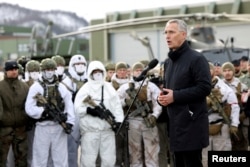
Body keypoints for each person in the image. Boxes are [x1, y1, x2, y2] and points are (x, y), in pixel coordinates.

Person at [157, 19, 211, 167]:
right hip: (175, 127)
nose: (167, 36)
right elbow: (169, 90)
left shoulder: (197, 59)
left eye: (171, 32)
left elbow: (205, 87)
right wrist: (162, 98)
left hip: (192, 126)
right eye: (166, 32)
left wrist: (175, 96)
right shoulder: (168, 62)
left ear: (183, 34)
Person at [25, 58, 75, 167]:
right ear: (42, 70)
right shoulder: (36, 87)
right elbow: (29, 108)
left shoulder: (61, 87)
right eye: (47, 69)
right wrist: (43, 112)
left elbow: (69, 105)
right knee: (40, 158)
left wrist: (70, 122)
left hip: (59, 127)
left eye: (52, 69)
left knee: (60, 159)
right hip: (42, 127)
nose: (50, 71)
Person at [74, 60, 124, 167]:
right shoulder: (85, 89)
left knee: (109, 160)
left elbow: (117, 107)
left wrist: (119, 122)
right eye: (95, 71)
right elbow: (77, 108)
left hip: (107, 130)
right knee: (88, 161)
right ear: (90, 73)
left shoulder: (109, 88)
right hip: (90, 132)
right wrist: (88, 110)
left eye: (100, 71)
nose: (97, 74)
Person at [117, 62, 162, 166]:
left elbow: (158, 102)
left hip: (149, 120)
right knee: (134, 152)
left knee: (152, 151)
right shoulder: (125, 87)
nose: (138, 72)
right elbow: (115, 102)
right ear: (132, 72)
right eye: (136, 70)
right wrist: (125, 101)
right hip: (133, 121)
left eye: (140, 70)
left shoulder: (151, 86)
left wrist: (155, 115)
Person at [202, 62, 240, 167]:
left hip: (221, 127)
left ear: (214, 71)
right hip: (203, 127)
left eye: (210, 69)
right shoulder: (197, 87)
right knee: (204, 159)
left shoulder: (225, 88)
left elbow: (234, 106)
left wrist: (234, 124)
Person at [0, 60, 29, 167]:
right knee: (2, 158)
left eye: (16, 69)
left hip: (21, 129)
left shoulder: (24, 87)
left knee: (22, 159)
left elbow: (28, 106)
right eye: (11, 70)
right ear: (6, 71)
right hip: (4, 129)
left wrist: (27, 120)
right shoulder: (1, 87)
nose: (14, 72)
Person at [61, 54, 88, 167]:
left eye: (82, 64)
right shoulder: (65, 83)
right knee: (71, 149)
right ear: (72, 66)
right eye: (77, 64)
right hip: (72, 118)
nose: (80, 66)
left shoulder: (90, 81)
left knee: (88, 150)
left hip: (88, 117)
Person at [221, 62, 248, 151]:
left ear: (233, 71)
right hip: (223, 121)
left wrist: (244, 114)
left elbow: (247, 103)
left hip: (240, 121)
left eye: (229, 70)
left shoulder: (241, 86)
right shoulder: (219, 86)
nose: (227, 73)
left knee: (241, 145)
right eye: (224, 71)